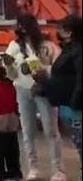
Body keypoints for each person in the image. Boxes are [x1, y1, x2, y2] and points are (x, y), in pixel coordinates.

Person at [6, 14, 64, 180]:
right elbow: (11, 74)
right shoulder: (13, 46)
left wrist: (44, 77)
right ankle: (33, 168)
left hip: (43, 91)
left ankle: (58, 169)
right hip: (22, 90)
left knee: (51, 130)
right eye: (19, 27)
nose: (21, 30)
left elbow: (57, 66)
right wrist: (10, 65)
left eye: (24, 27)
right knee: (27, 130)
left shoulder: (46, 46)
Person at [42, 14, 81, 151]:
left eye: (61, 29)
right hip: (68, 107)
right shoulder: (68, 50)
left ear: (69, 32)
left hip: (75, 110)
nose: (58, 31)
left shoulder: (77, 51)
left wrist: (74, 103)